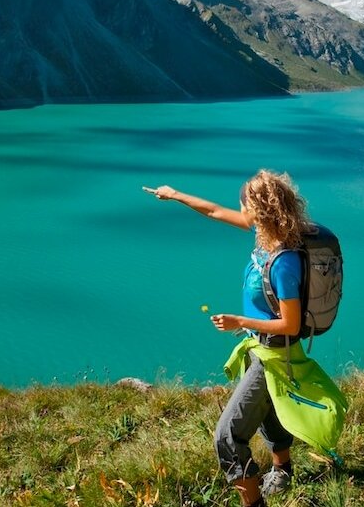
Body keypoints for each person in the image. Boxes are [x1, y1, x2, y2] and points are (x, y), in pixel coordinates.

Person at [145, 170, 308, 507]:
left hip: (273, 351)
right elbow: (216, 212)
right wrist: (175, 194)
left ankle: (253, 503)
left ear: (259, 209)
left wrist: (240, 321)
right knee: (269, 411)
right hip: (258, 346)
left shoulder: (284, 262)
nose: (239, 207)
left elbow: (291, 325)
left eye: (245, 203)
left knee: (228, 436)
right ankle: (283, 470)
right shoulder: (265, 240)